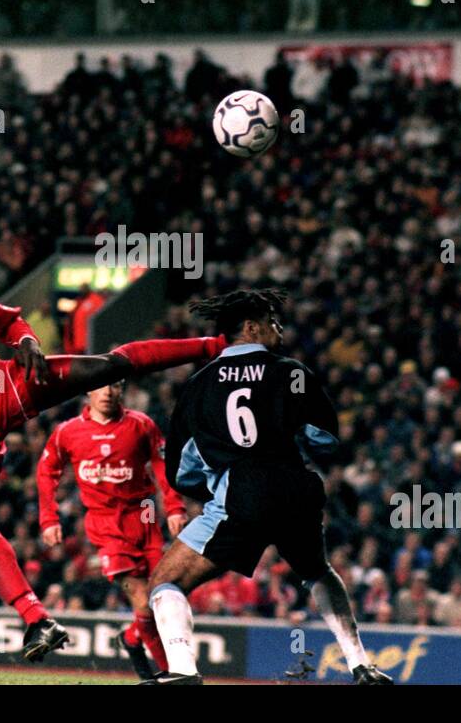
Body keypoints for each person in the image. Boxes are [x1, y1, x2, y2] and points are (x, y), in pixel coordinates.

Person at [0, 282, 227, 661]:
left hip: (1, 386)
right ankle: (36, 618)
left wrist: (26, 340)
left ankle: (216, 347)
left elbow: (9, 323)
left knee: (107, 366)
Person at [145, 289, 393, 685]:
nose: (279, 328)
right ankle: (361, 664)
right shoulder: (292, 372)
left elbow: (182, 468)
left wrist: (215, 484)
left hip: (241, 493)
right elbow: (325, 438)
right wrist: (289, 435)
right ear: (251, 327)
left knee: (164, 581)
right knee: (318, 570)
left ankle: (184, 672)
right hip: (297, 488)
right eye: (273, 322)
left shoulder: (200, 384)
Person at [37, 382, 186, 681]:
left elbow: (161, 464)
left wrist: (174, 507)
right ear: (88, 392)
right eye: (99, 386)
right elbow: (46, 471)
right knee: (143, 601)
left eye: (114, 386)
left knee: (166, 595)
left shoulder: (141, 425)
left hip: (144, 515)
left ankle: (132, 637)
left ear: (123, 390)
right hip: (105, 525)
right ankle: (172, 673)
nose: (106, 392)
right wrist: (48, 519)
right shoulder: (67, 431)